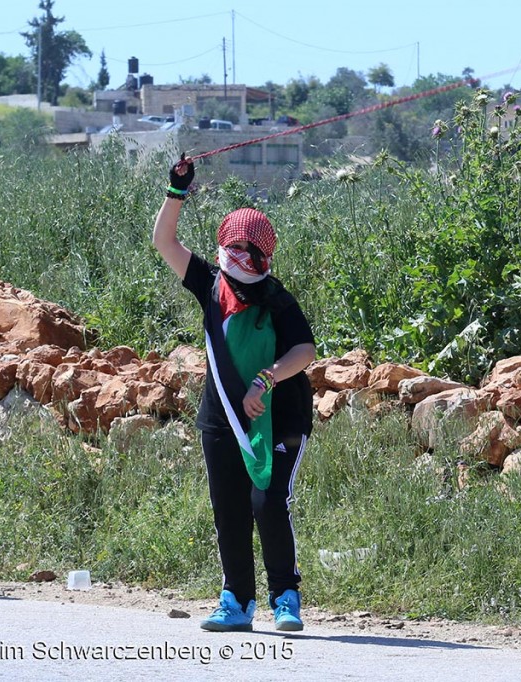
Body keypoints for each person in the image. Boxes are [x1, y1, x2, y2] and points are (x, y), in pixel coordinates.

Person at [152, 155, 316, 633]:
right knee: (229, 508)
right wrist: (176, 190)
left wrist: (267, 379)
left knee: (267, 503)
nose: (242, 255)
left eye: (252, 248)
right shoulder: (210, 284)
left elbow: (305, 349)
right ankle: (236, 602)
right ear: (224, 245)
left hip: (279, 416)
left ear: (266, 255)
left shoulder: (276, 298)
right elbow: (164, 241)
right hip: (221, 418)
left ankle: (285, 597)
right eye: (235, 246)